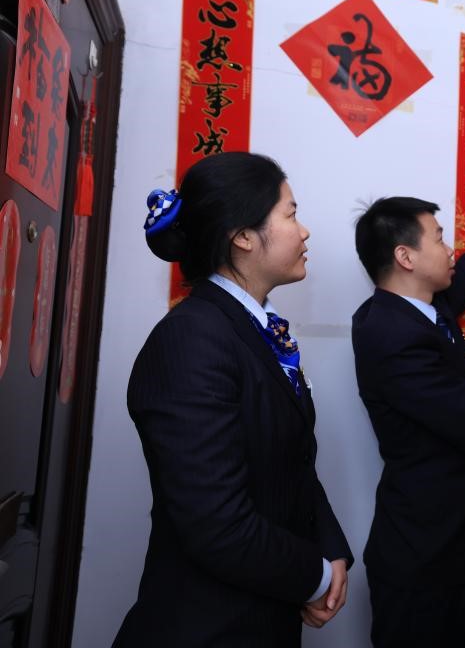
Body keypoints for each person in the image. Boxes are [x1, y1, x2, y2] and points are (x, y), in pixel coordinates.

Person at [113, 152, 353, 648]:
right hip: (207, 627)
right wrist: (313, 577)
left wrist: (329, 550)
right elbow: (216, 523)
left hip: (261, 614)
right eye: (290, 215)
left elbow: (291, 462)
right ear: (243, 236)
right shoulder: (191, 340)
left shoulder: (250, 328)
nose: (304, 231)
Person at [352, 197, 465, 647]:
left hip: (451, 552)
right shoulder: (390, 335)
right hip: (423, 561)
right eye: (438, 239)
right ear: (405, 257)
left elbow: (461, 280)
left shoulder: (420, 309)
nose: (449, 249)